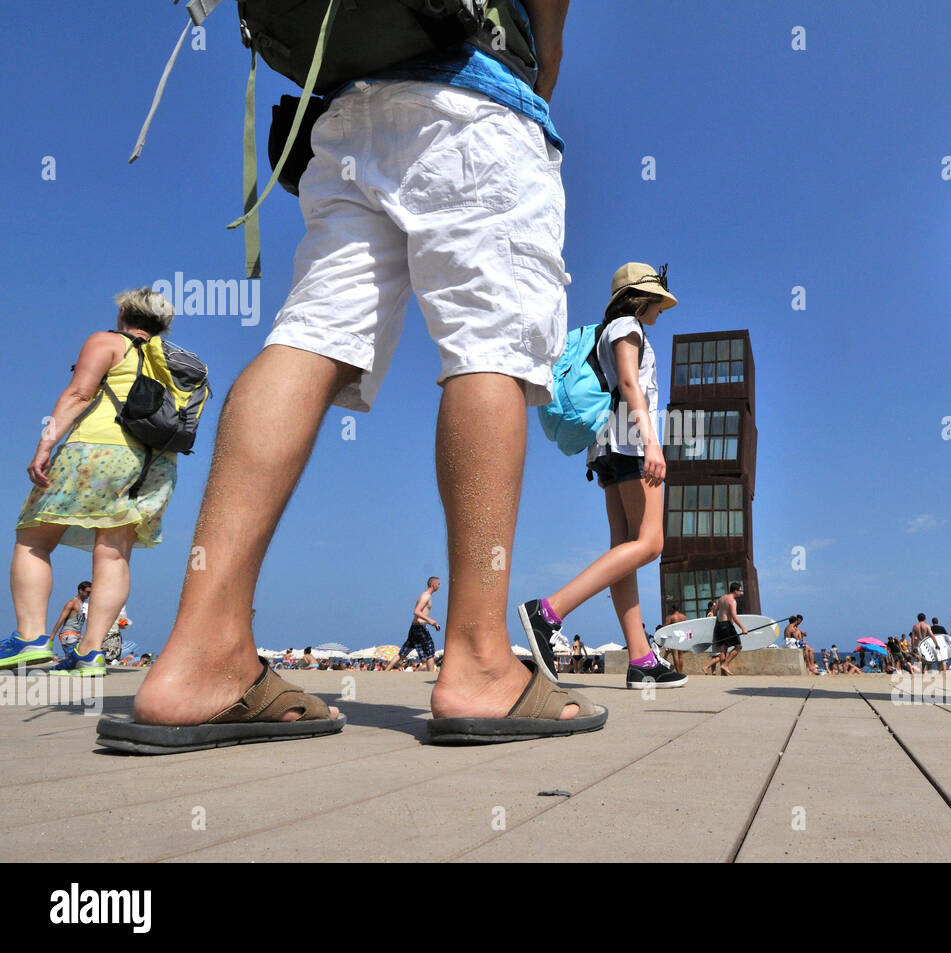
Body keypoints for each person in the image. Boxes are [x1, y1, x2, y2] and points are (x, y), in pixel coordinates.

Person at [104, 3, 607, 752]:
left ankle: (200, 654)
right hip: (477, 96)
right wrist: (538, 81)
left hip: (346, 111)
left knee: (307, 337)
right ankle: (479, 662)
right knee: (489, 350)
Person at [518, 263, 685, 691]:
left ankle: (642, 659)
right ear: (640, 297)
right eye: (658, 302)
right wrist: (652, 442)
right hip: (630, 443)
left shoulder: (606, 329)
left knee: (623, 551)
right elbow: (630, 383)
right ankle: (549, 611)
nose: (662, 310)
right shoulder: (627, 327)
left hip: (605, 448)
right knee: (650, 544)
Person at [5, 289, 181, 678]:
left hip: (97, 452)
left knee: (34, 537)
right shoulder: (172, 360)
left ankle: (31, 637)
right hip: (157, 463)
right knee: (114, 553)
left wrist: (45, 444)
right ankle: (90, 652)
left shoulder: (106, 341)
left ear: (123, 311)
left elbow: (79, 393)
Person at [387, 577, 441, 672]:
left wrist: (434, 624)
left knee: (403, 652)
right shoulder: (426, 596)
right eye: (438, 584)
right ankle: (431, 674)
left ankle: (386, 671)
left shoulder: (426, 596)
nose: (439, 586)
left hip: (415, 627)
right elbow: (416, 611)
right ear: (433, 585)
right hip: (419, 628)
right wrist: (430, 620)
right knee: (430, 650)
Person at [703, 582, 749, 677]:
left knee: (724, 648)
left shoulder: (722, 598)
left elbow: (715, 610)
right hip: (727, 625)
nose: (741, 592)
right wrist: (743, 628)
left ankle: (723, 673)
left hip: (719, 625)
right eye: (740, 590)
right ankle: (725, 665)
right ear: (735, 591)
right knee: (738, 646)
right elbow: (734, 616)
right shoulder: (732, 601)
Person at [50, 581, 92, 659]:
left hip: (78, 636)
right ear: (80, 590)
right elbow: (61, 619)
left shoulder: (84, 605)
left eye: (90, 593)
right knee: (74, 658)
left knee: (85, 655)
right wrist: (52, 635)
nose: (89, 595)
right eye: (88, 592)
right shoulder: (72, 603)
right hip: (68, 635)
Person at [660, 605, 686, 673]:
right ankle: (681, 672)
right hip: (682, 636)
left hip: (674, 637)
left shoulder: (671, 618)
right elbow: (687, 627)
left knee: (675, 655)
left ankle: (678, 673)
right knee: (681, 655)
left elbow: (665, 628)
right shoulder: (683, 617)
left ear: (672, 609)